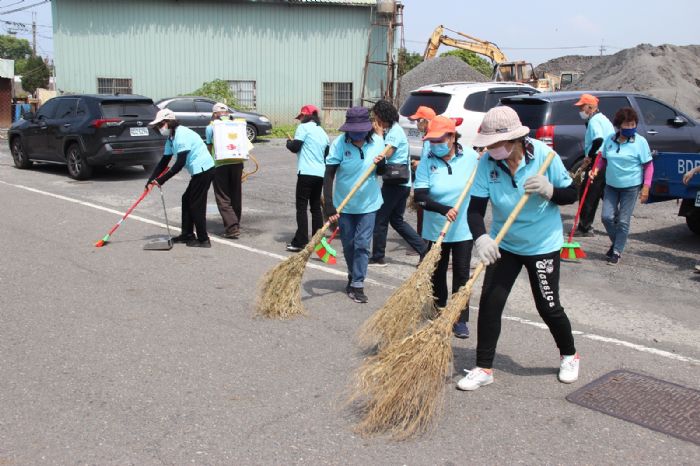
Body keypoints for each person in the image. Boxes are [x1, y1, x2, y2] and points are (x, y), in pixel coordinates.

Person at [458, 106, 579, 391]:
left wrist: (550, 191)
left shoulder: (545, 157)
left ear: (514, 140)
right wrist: (481, 238)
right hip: (506, 244)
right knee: (490, 303)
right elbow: (475, 210)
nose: (491, 149)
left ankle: (570, 354)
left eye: (496, 144)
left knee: (548, 306)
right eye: (488, 144)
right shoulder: (487, 164)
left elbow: (571, 194)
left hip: (542, 245)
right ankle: (484, 367)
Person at [413, 116, 479, 339]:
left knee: (461, 274)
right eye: (431, 141)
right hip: (435, 229)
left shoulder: (471, 157)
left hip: (463, 229)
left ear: (451, 137)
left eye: (438, 140)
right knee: (438, 273)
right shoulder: (427, 161)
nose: (434, 145)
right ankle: (439, 309)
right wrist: (443, 209)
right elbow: (420, 197)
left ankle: (460, 318)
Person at [324, 107, 384, 304]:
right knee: (349, 245)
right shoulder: (339, 144)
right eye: (354, 129)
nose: (357, 133)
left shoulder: (377, 142)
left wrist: (381, 164)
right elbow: (329, 174)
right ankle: (352, 274)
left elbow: (381, 171)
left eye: (361, 129)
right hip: (345, 205)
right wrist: (329, 206)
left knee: (362, 245)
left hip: (369, 203)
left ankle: (358, 283)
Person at [590, 106, 654, 265]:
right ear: (619, 125)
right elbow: (603, 159)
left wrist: (646, 187)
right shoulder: (610, 140)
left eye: (633, 125)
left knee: (624, 221)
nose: (631, 128)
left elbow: (648, 166)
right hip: (611, 185)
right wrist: (595, 170)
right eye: (627, 125)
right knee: (606, 217)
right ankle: (617, 242)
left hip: (631, 187)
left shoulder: (641, 142)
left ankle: (617, 251)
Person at [368, 100, 427, 267]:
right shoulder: (394, 130)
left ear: (382, 115)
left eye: (376, 115)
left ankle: (378, 256)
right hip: (402, 182)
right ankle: (423, 249)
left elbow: (385, 154)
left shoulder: (393, 132)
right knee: (396, 220)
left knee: (380, 218)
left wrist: (379, 136)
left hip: (395, 183)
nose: (375, 119)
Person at [146, 108, 215, 248]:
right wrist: (150, 180)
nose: (159, 128)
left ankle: (203, 239)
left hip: (204, 169)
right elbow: (164, 161)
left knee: (196, 205)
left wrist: (161, 180)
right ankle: (187, 234)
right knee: (186, 199)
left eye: (160, 125)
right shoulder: (172, 137)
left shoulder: (182, 134)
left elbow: (179, 164)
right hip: (197, 171)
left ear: (167, 122)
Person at [285, 104, 330, 252]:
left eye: (301, 117)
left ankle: (301, 241)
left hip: (306, 173)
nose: (300, 120)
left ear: (305, 116)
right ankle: (318, 241)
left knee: (301, 207)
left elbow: (295, 147)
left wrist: (288, 143)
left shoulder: (303, 128)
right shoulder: (322, 132)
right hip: (320, 173)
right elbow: (326, 154)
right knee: (315, 207)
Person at [573, 94, 615, 237]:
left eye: (582, 107)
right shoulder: (604, 119)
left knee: (588, 193)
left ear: (590, 107)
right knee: (603, 193)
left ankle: (584, 227)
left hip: (598, 160)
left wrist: (589, 156)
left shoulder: (595, 121)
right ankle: (617, 222)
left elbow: (598, 140)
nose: (580, 110)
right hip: (607, 160)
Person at [205, 103, 247, 239]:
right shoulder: (237, 125)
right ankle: (236, 223)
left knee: (223, 196)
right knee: (236, 194)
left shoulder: (211, 127)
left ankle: (232, 228)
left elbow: (209, 147)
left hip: (220, 164)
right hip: (237, 163)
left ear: (214, 114)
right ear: (228, 113)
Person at [408, 105, 437, 237]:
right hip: (425, 179)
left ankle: (422, 242)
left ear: (426, 121)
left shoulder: (433, 138)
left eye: (418, 120)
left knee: (424, 211)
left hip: (430, 181)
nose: (416, 123)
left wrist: (420, 163)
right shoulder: (427, 137)